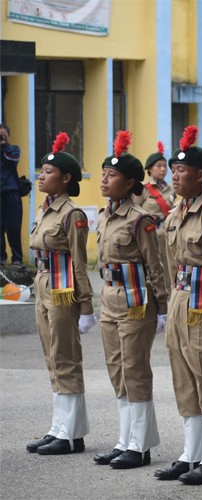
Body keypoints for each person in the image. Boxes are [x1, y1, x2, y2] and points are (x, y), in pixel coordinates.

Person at [153, 125, 202, 485]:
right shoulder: (174, 214)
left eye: (181, 170)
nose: (174, 175)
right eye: (172, 170)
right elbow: (170, 263)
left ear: (201, 176)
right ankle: (191, 453)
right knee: (183, 380)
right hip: (181, 300)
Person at [94, 131, 169, 469]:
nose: (105, 180)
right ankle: (124, 439)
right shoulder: (103, 215)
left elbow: (156, 265)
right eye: (103, 174)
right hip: (109, 299)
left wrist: (164, 306)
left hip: (137, 300)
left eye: (112, 176)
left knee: (135, 370)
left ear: (129, 183)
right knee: (116, 370)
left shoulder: (141, 220)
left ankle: (139, 446)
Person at [26, 132, 95, 455]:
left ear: (66, 179)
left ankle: (71, 434)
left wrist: (85, 305)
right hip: (43, 282)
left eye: (49, 172)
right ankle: (59, 428)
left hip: (63, 287)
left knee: (65, 357)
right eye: (42, 170)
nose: (42, 175)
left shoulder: (72, 215)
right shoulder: (46, 209)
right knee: (52, 357)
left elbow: (79, 264)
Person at [133, 140, 175, 295]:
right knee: (151, 267)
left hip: (167, 235)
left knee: (168, 267)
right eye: (159, 166)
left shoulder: (171, 189)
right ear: (149, 169)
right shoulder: (143, 189)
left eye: (165, 166)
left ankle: (169, 297)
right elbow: (135, 211)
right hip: (149, 234)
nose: (163, 169)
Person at [0, 123, 24, 267]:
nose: (1, 138)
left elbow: (12, 161)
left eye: (4, 135)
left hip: (12, 192)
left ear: (8, 136)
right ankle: (1, 257)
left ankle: (17, 258)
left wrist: (4, 145)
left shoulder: (13, 149)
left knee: (14, 227)